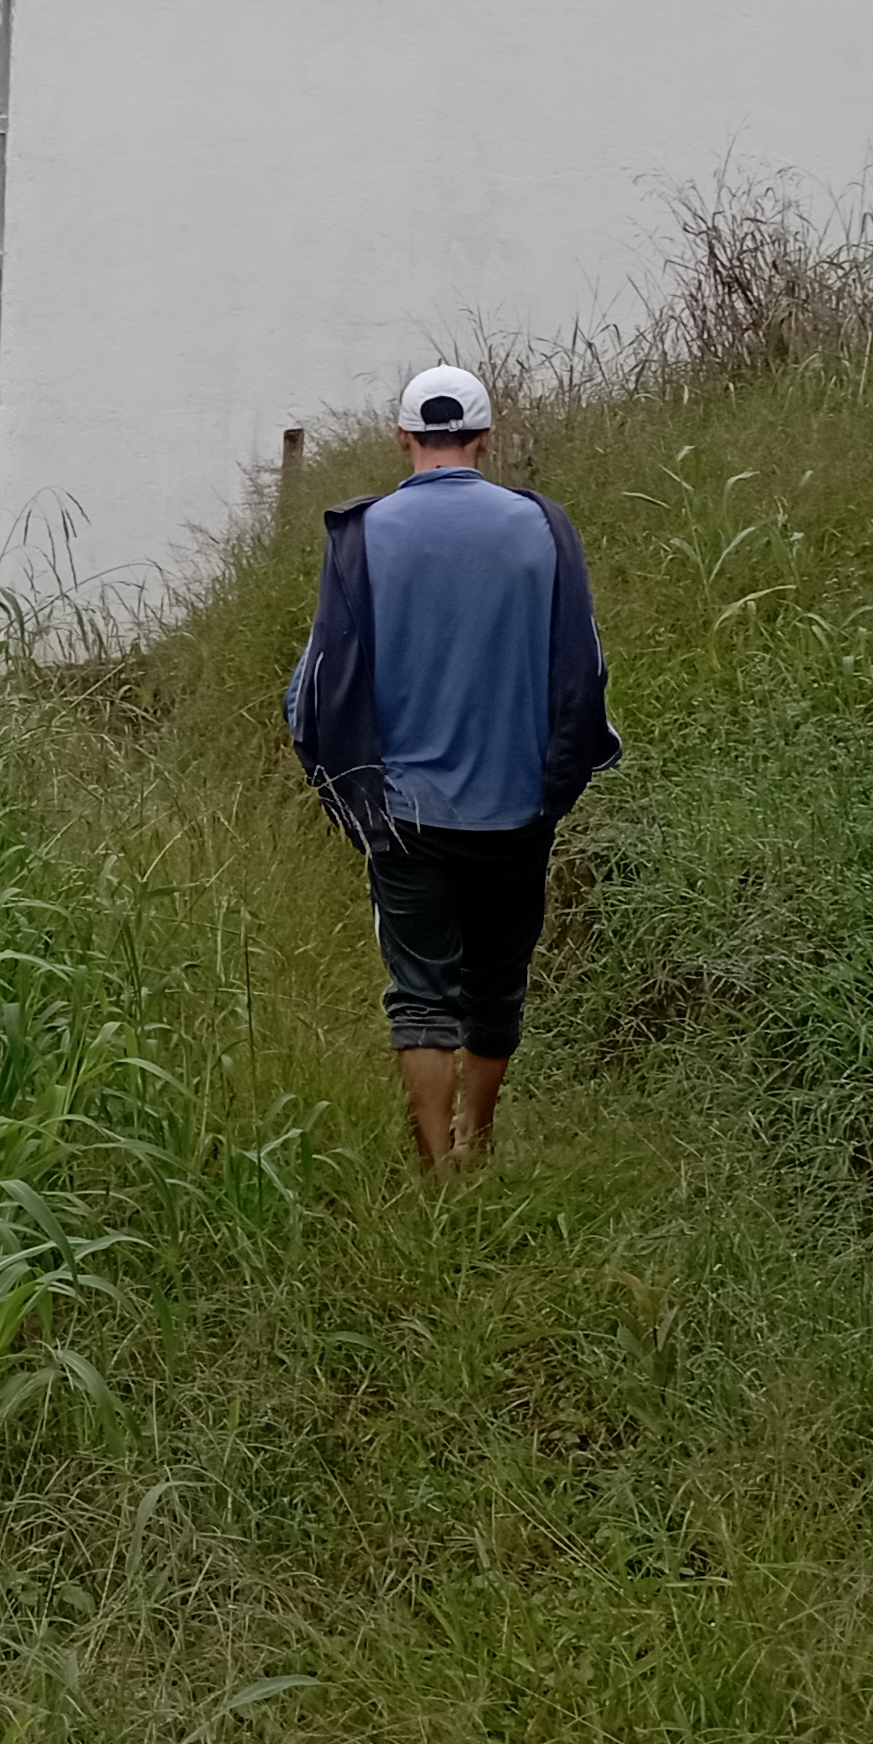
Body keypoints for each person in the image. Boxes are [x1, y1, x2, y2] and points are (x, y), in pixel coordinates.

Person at [283, 364, 622, 1170]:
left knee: (421, 994)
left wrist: (338, 785)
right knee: (496, 983)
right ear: (485, 439)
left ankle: (435, 1170)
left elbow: (318, 683)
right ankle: (480, 1135)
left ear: (402, 437)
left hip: (405, 813)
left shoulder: (362, 535)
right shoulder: (544, 528)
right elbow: (585, 669)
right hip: (518, 807)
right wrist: (563, 781)